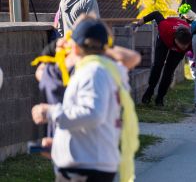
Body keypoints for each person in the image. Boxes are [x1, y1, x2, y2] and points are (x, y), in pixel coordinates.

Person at [31, 18, 139, 182]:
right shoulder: (107, 69)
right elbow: (93, 124)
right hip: (87, 164)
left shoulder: (93, 72)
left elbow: (92, 113)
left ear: (74, 46)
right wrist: (59, 146)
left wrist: (51, 112)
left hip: (85, 169)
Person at [132, 11, 192, 106]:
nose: (183, 48)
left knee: (169, 71)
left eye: (186, 46)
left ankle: (160, 98)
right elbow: (156, 14)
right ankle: (150, 90)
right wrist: (139, 23)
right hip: (164, 40)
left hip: (179, 39)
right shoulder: (165, 29)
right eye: (181, 45)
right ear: (175, 39)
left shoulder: (191, 42)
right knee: (158, 65)